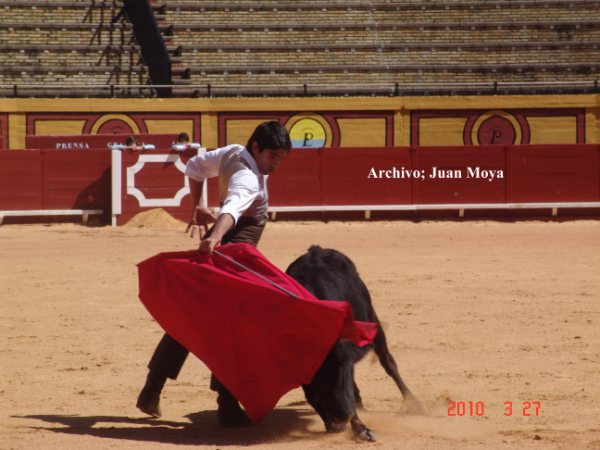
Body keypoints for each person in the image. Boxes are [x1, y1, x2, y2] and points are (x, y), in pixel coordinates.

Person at [136, 120, 292, 426]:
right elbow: (232, 208)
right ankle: (227, 405)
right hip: (235, 256)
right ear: (256, 147)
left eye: (280, 158)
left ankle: (152, 389)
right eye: (272, 156)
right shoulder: (247, 178)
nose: (275, 164)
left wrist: (198, 205)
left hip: (222, 249)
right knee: (235, 326)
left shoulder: (232, 152)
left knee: (191, 316)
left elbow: (194, 167)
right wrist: (215, 236)